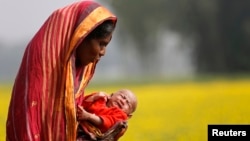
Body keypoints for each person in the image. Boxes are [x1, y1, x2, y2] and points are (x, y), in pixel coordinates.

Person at [6, 1, 117, 141]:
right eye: (101, 44)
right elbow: (29, 120)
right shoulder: (41, 66)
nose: (102, 52)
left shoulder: (75, 71)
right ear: (80, 36)